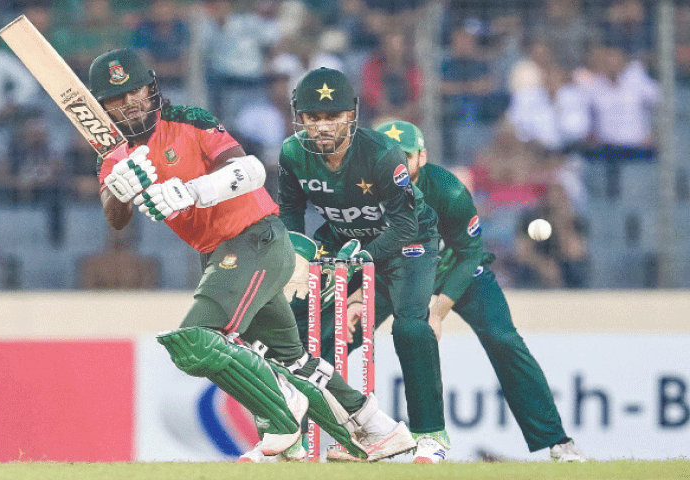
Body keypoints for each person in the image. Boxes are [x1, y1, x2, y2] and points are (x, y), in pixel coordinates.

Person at [89, 49, 414, 463]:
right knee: (294, 359)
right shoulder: (113, 155)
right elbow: (115, 219)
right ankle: (378, 430)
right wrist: (119, 189)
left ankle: (280, 411)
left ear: (151, 88)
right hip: (220, 256)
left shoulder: (189, 120)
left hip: (254, 239)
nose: (130, 104)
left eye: (134, 91)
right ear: (102, 107)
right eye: (116, 99)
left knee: (196, 341)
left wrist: (192, 191)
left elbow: (252, 172)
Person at [371, 120, 587, 462]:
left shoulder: (448, 188)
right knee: (337, 329)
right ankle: (300, 434)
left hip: (458, 269)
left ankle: (557, 442)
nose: (395, 164)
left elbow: (471, 252)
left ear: (422, 157)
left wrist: (438, 311)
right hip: (398, 273)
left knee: (504, 339)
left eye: (405, 156)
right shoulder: (364, 190)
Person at [278, 67, 446, 463]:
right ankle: (301, 438)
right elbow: (290, 211)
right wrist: (298, 260)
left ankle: (430, 436)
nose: (322, 127)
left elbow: (405, 223)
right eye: (313, 117)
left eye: (332, 117)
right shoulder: (291, 153)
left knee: (409, 327)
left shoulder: (381, 154)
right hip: (346, 238)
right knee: (294, 329)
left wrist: (365, 258)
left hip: (410, 242)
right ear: (299, 116)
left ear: (351, 115)